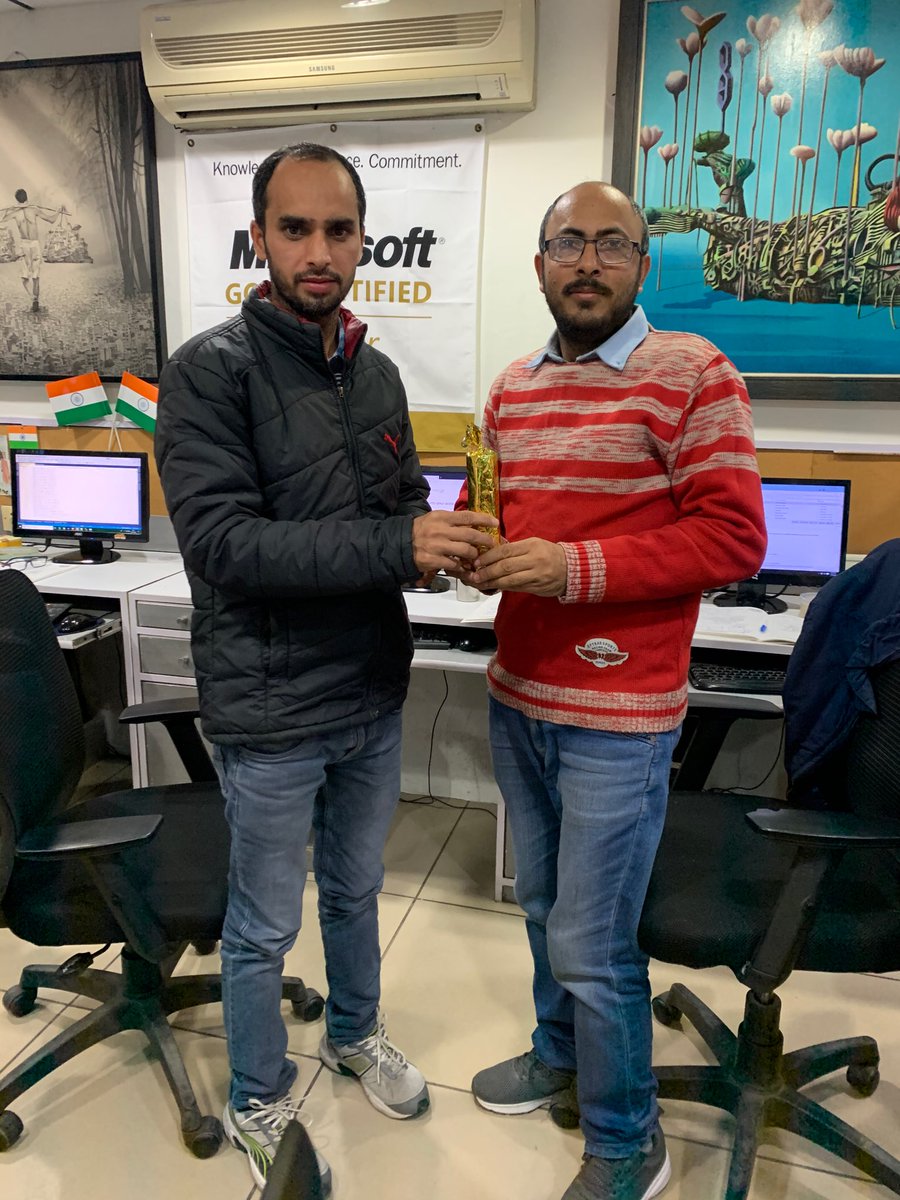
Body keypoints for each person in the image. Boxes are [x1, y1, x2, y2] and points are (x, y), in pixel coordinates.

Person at [155, 142, 496, 1194]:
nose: (318, 250)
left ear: (362, 242)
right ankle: (257, 1095)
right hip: (269, 703)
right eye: (295, 228)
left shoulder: (375, 371)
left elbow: (397, 507)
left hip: (368, 690)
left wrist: (443, 542)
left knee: (355, 891)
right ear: (259, 237)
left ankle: (354, 1035)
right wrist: (398, 543)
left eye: (338, 230)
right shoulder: (208, 372)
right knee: (263, 925)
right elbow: (227, 546)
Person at [460, 181, 767, 1200]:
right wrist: (470, 546)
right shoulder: (511, 388)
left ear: (643, 264)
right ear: (540, 263)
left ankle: (629, 1139)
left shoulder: (694, 374)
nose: (586, 262)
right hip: (519, 696)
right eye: (567, 243)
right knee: (543, 907)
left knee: (592, 942)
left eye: (610, 244)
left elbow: (734, 538)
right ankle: (560, 1056)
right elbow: (499, 514)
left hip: (619, 719)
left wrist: (572, 570)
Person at [0, 190, 57, 312]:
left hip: (25, 245)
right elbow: (52, 220)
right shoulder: (34, 210)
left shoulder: (15, 213)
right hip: (33, 244)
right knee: (35, 276)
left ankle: (33, 299)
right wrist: (58, 211)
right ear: (26, 197)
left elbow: (1, 219)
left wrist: (7, 210)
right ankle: (35, 300)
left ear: (16, 199)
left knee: (25, 279)